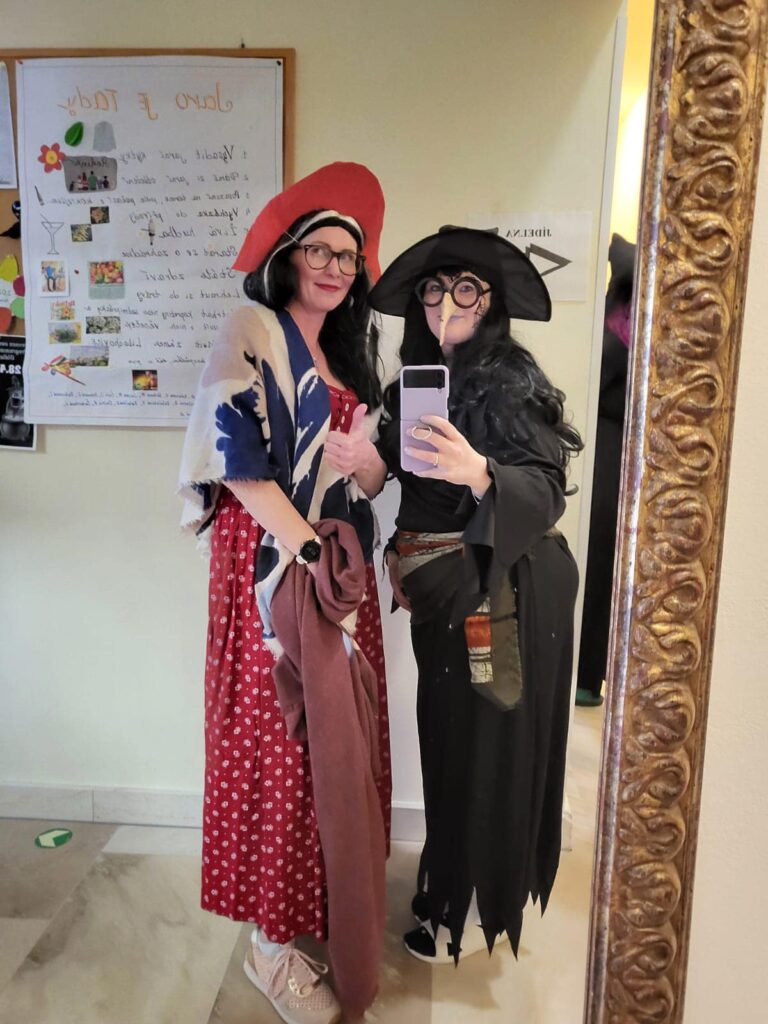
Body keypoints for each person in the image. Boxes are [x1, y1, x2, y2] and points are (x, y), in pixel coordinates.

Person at [330, 226, 582, 963]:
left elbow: (543, 487)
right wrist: (365, 466)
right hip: (445, 598)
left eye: (465, 288)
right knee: (449, 741)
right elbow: (400, 485)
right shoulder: (417, 381)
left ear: (490, 301)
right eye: (434, 290)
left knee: (485, 750)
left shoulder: (509, 379)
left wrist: (481, 472)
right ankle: (449, 884)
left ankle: (471, 915)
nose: (448, 302)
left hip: (501, 596)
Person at [178, 163, 391, 1024]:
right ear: (288, 257)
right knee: (278, 745)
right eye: (320, 251)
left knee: (330, 753)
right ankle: (269, 946)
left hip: (335, 571)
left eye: (349, 256)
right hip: (275, 569)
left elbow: (370, 482)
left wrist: (366, 464)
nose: (335, 267)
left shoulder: (352, 355)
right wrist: (305, 552)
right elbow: (233, 463)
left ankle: (318, 911)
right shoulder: (251, 329)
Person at [576, 234, 636, 707]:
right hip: (608, 447)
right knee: (597, 559)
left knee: (600, 559)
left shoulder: (623, 313)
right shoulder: (621, 312)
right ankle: (586, 674)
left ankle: (587, 673)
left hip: (614, 450)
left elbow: (602, 370)